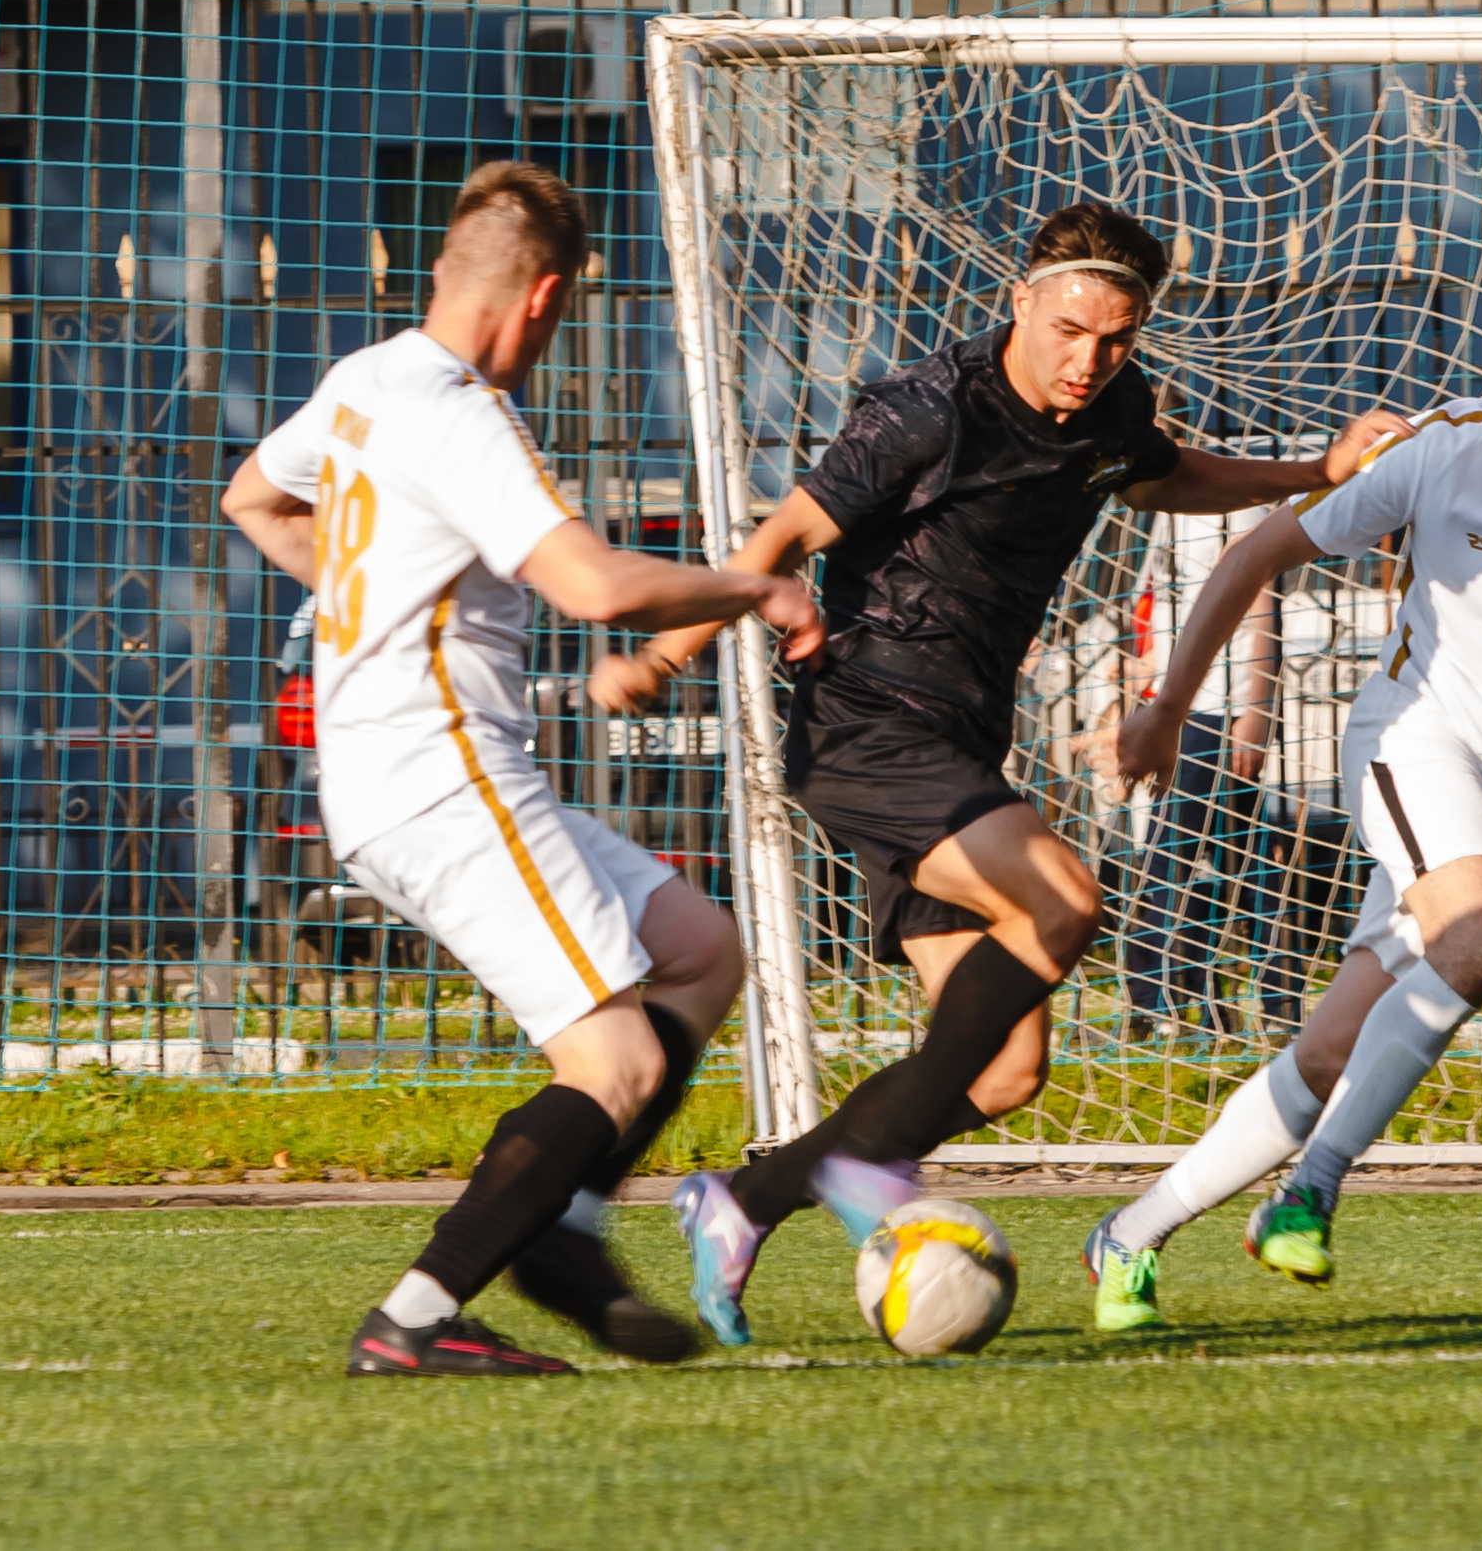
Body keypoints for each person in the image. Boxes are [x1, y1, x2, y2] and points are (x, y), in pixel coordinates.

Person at [593, 201, 1410, 1346]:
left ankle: (748, 1198)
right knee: (1064, 901)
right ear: (1020, 301)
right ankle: (843, 1173)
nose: (1087, 360)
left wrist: (1313, 470)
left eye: (1115, 338)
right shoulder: (924, 409)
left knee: (1004, 1068)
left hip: (964, 745)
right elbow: (777, 542)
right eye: (1068, 328)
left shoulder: (1113, 404)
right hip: (871, 727)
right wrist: (665, 651)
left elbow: (1159, 472)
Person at [220, 161, 822, 1378]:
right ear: (546, 297)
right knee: (618, 1063)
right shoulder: (458, 411)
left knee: (700, 949)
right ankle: (416, 1317)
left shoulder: (366, 377)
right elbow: (595, 587)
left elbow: (252, 497)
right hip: (442, 774)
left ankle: (564, 1231)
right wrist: (754, 585)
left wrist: (364, 604)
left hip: (405, 775)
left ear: (446, 270)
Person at [1082, 249, 1482, 1332]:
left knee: (1334, 1047)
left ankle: (1128, 1234)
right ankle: (1310, 1193)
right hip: (1412, 737)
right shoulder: (1442, 449)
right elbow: (1254, 555)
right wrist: (1163, 702)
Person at [1111, 499, 1277, 1039]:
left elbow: (1260, 605)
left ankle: (1159, 1004)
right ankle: (1209, 1007)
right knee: (1223, 863)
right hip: (1175, 709)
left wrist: (1257, 709)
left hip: (1214, 713)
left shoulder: (1232, 508)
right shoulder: (1161, 514)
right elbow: (1168, 626)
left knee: (1182, 860)